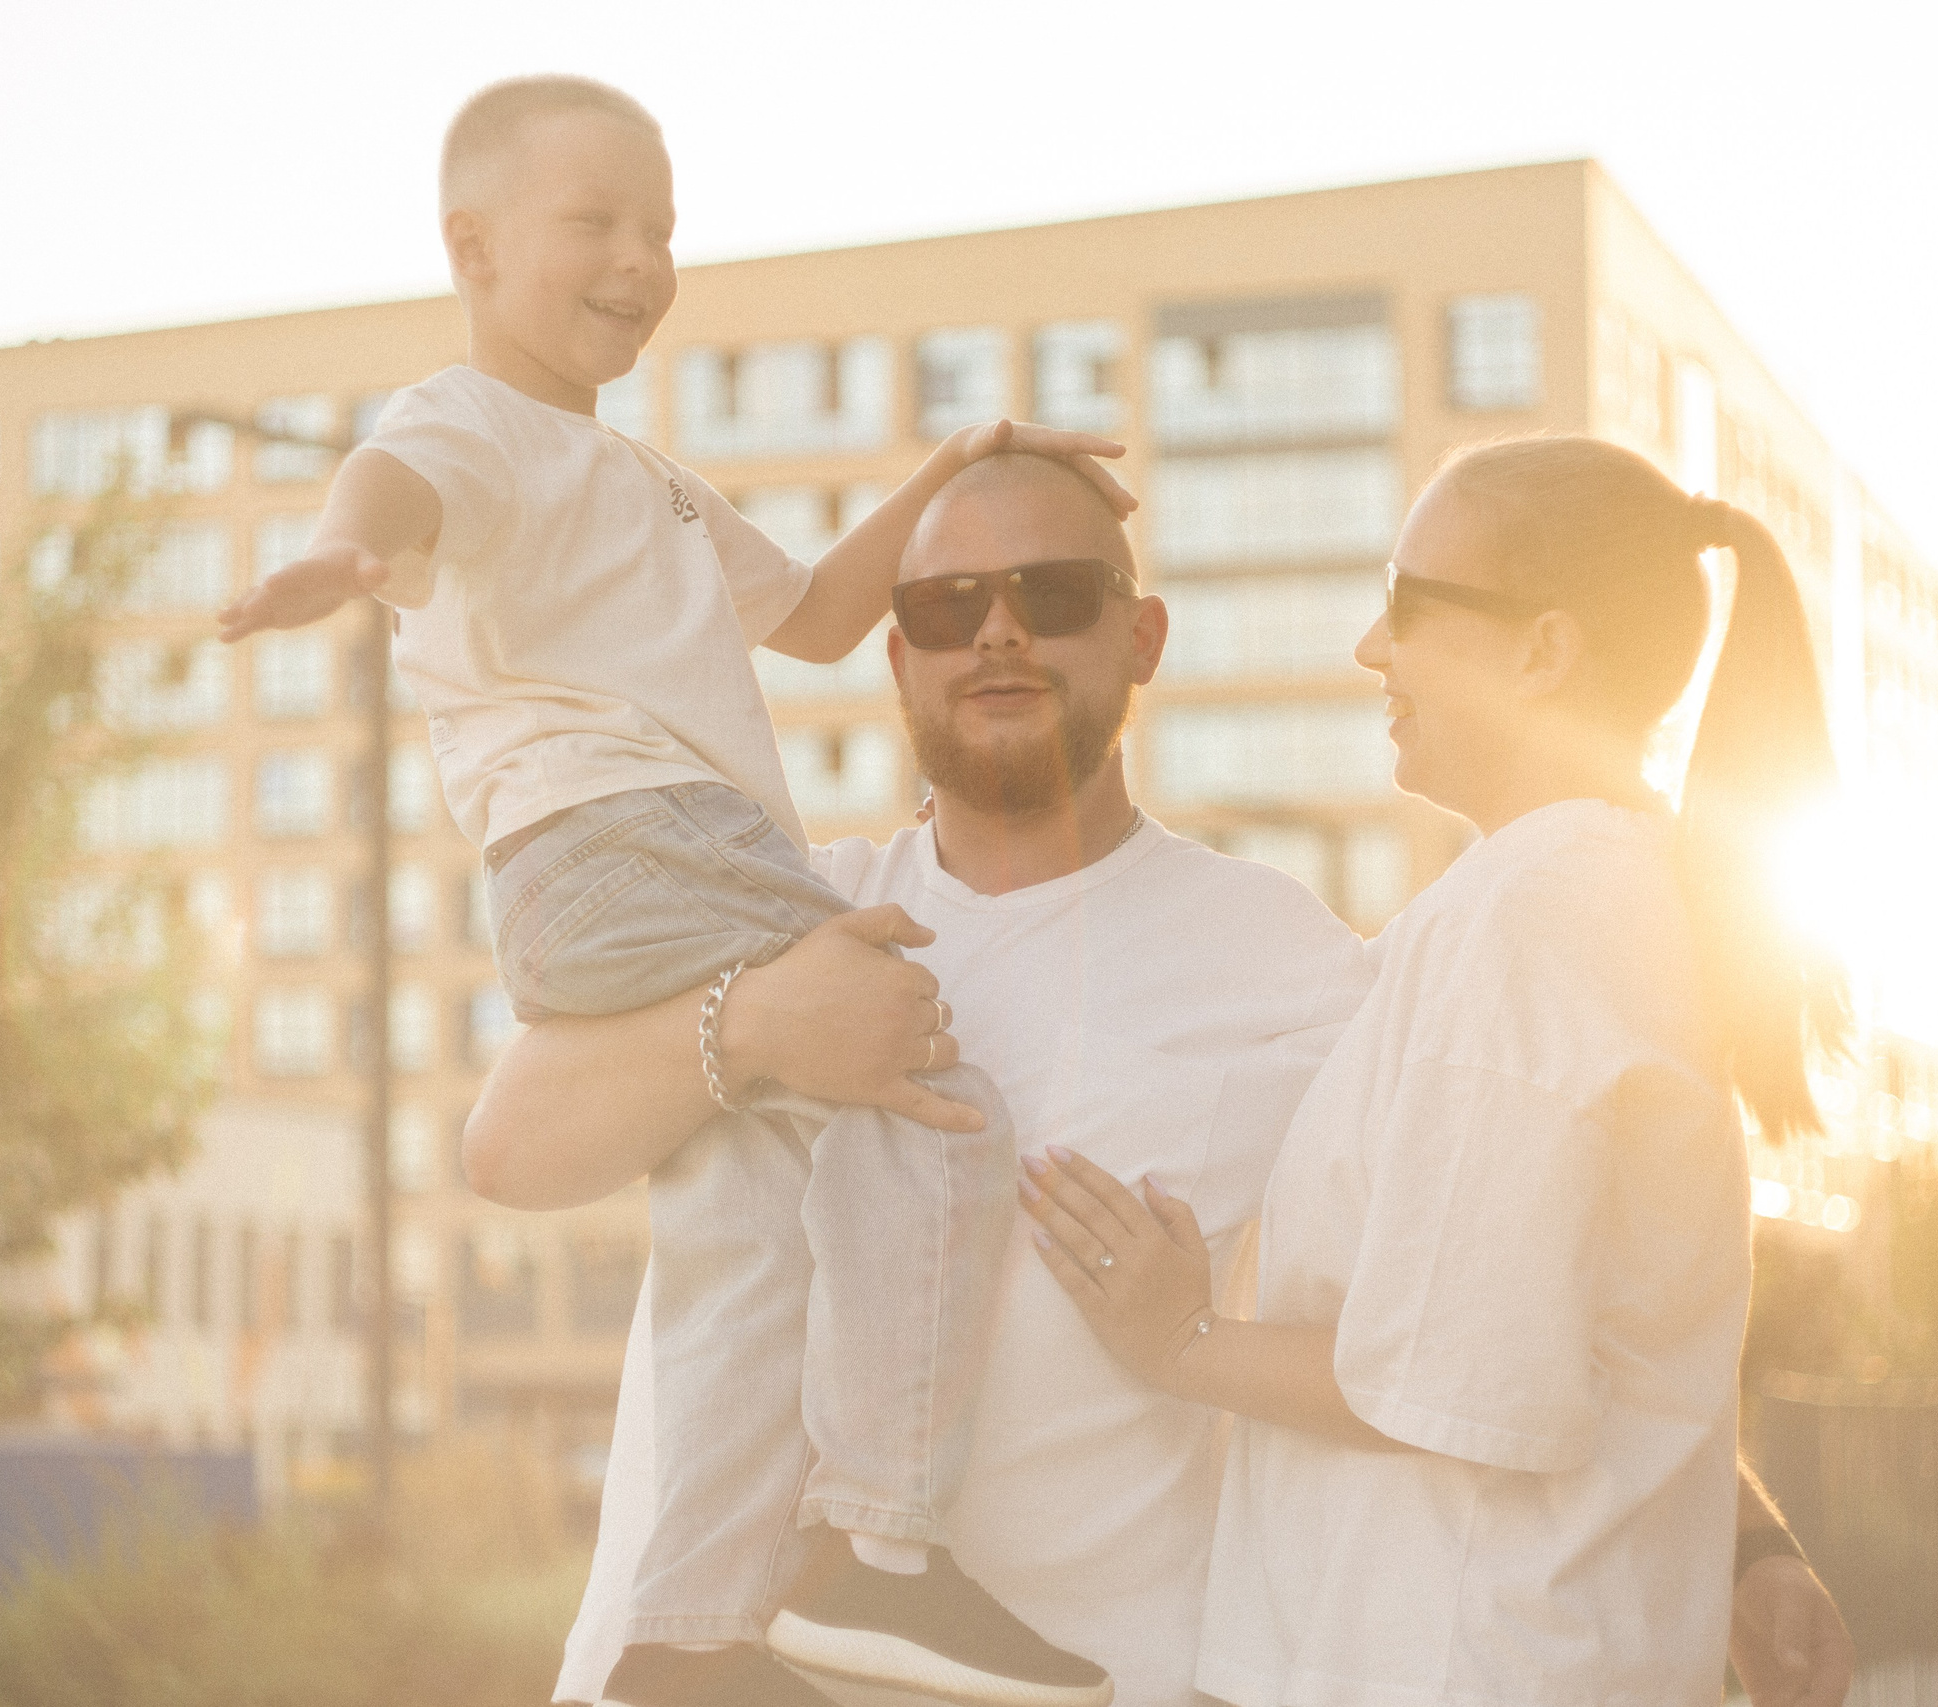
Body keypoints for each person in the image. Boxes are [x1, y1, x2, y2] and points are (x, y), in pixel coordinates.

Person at [468, 451, 1857, 1707]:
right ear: (896, 658)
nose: (997, 630)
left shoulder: (1300, 965)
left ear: (1143, 637)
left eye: (1052, 592)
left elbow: (1490, 1266)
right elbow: (509, 1148)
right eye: (950, 605)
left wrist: (1743, 1539)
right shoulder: (787, 911)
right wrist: (760, 1023)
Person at [213, 75, 1133, 1707]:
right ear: (473, 249)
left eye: (663, 229)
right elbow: (397, 485)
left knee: (745, 1216)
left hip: (644, 859)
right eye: (598, 222)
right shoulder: (470, 424)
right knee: (935, 1100)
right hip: (631, 838)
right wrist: (348, 556)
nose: (641, 258)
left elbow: (834, 615)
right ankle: (876, 1547)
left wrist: (956, 461)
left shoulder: (643, 482)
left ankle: (689, 1631)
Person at [1022, 435, 1854, 1707]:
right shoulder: (1575, 898)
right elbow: (1572, 1326)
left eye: (1410, 606)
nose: (1372, 649)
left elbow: (1446, 1379)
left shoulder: (1537, 917)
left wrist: (1173, 1334)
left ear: (1543, 652)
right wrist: (1748, 1540)